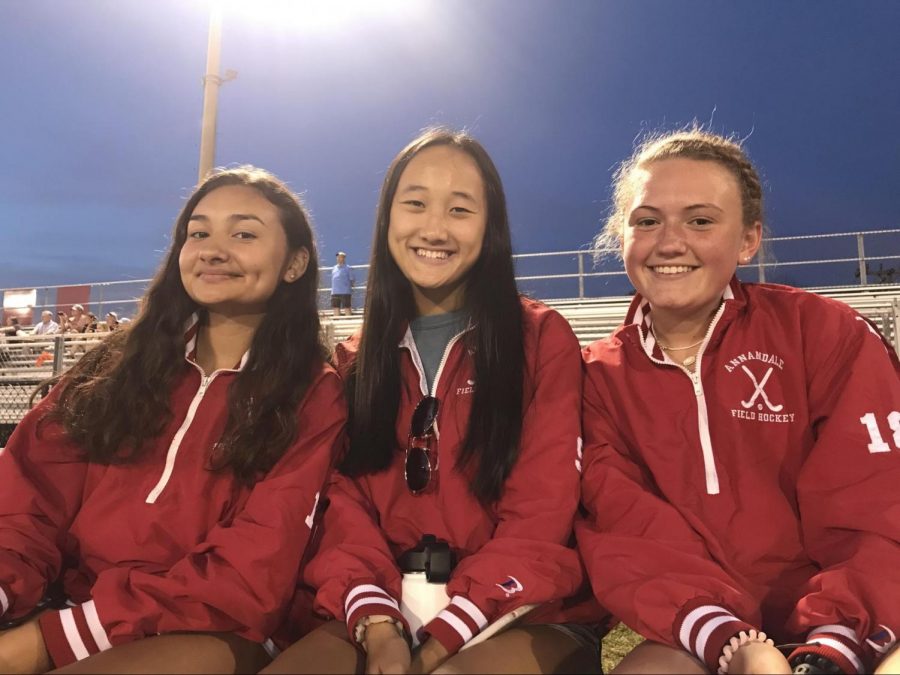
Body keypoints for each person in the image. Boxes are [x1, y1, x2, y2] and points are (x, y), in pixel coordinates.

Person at [264, 129, 598, 675]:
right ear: (387, 219)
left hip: (523, 611)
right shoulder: (353, 358)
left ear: (490, 225)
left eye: (460, 209)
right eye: (415, 203)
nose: (434, 228)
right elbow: (341, 505)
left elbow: (542, 510)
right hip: (384, 599)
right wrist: (377, 620)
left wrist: (446, 634)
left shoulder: (540, 338)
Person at [576, 129, 900, 674]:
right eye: (646, 220)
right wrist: (731, 640)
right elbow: (626, 526)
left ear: (748, 240)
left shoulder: (823, 333)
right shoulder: (595, 376)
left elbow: (875, 504)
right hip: (708, 627)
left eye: (700, 220)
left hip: (856, 620)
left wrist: (833, 646)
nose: (669, 242)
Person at [0, 166, 345, 674]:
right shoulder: (117, 365)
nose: (212, 249)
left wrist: (49, 642)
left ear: (294, 263)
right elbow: (27, 500)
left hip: (209, 631)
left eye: (244, 234)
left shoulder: (313, 394)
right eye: (198, 233)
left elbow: (249, 575)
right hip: (65, 606)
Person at [330, 251, 355, 316]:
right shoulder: (334, 268)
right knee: (335, 308)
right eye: (337, 257)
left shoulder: (348, 268)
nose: (338, 258)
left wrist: (351, 287)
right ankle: (337, 323)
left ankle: (349, 322)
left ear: (344, 258)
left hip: (345, 292)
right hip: (335, 292)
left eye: (340, 257)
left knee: (347, 308)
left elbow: (352, 279)